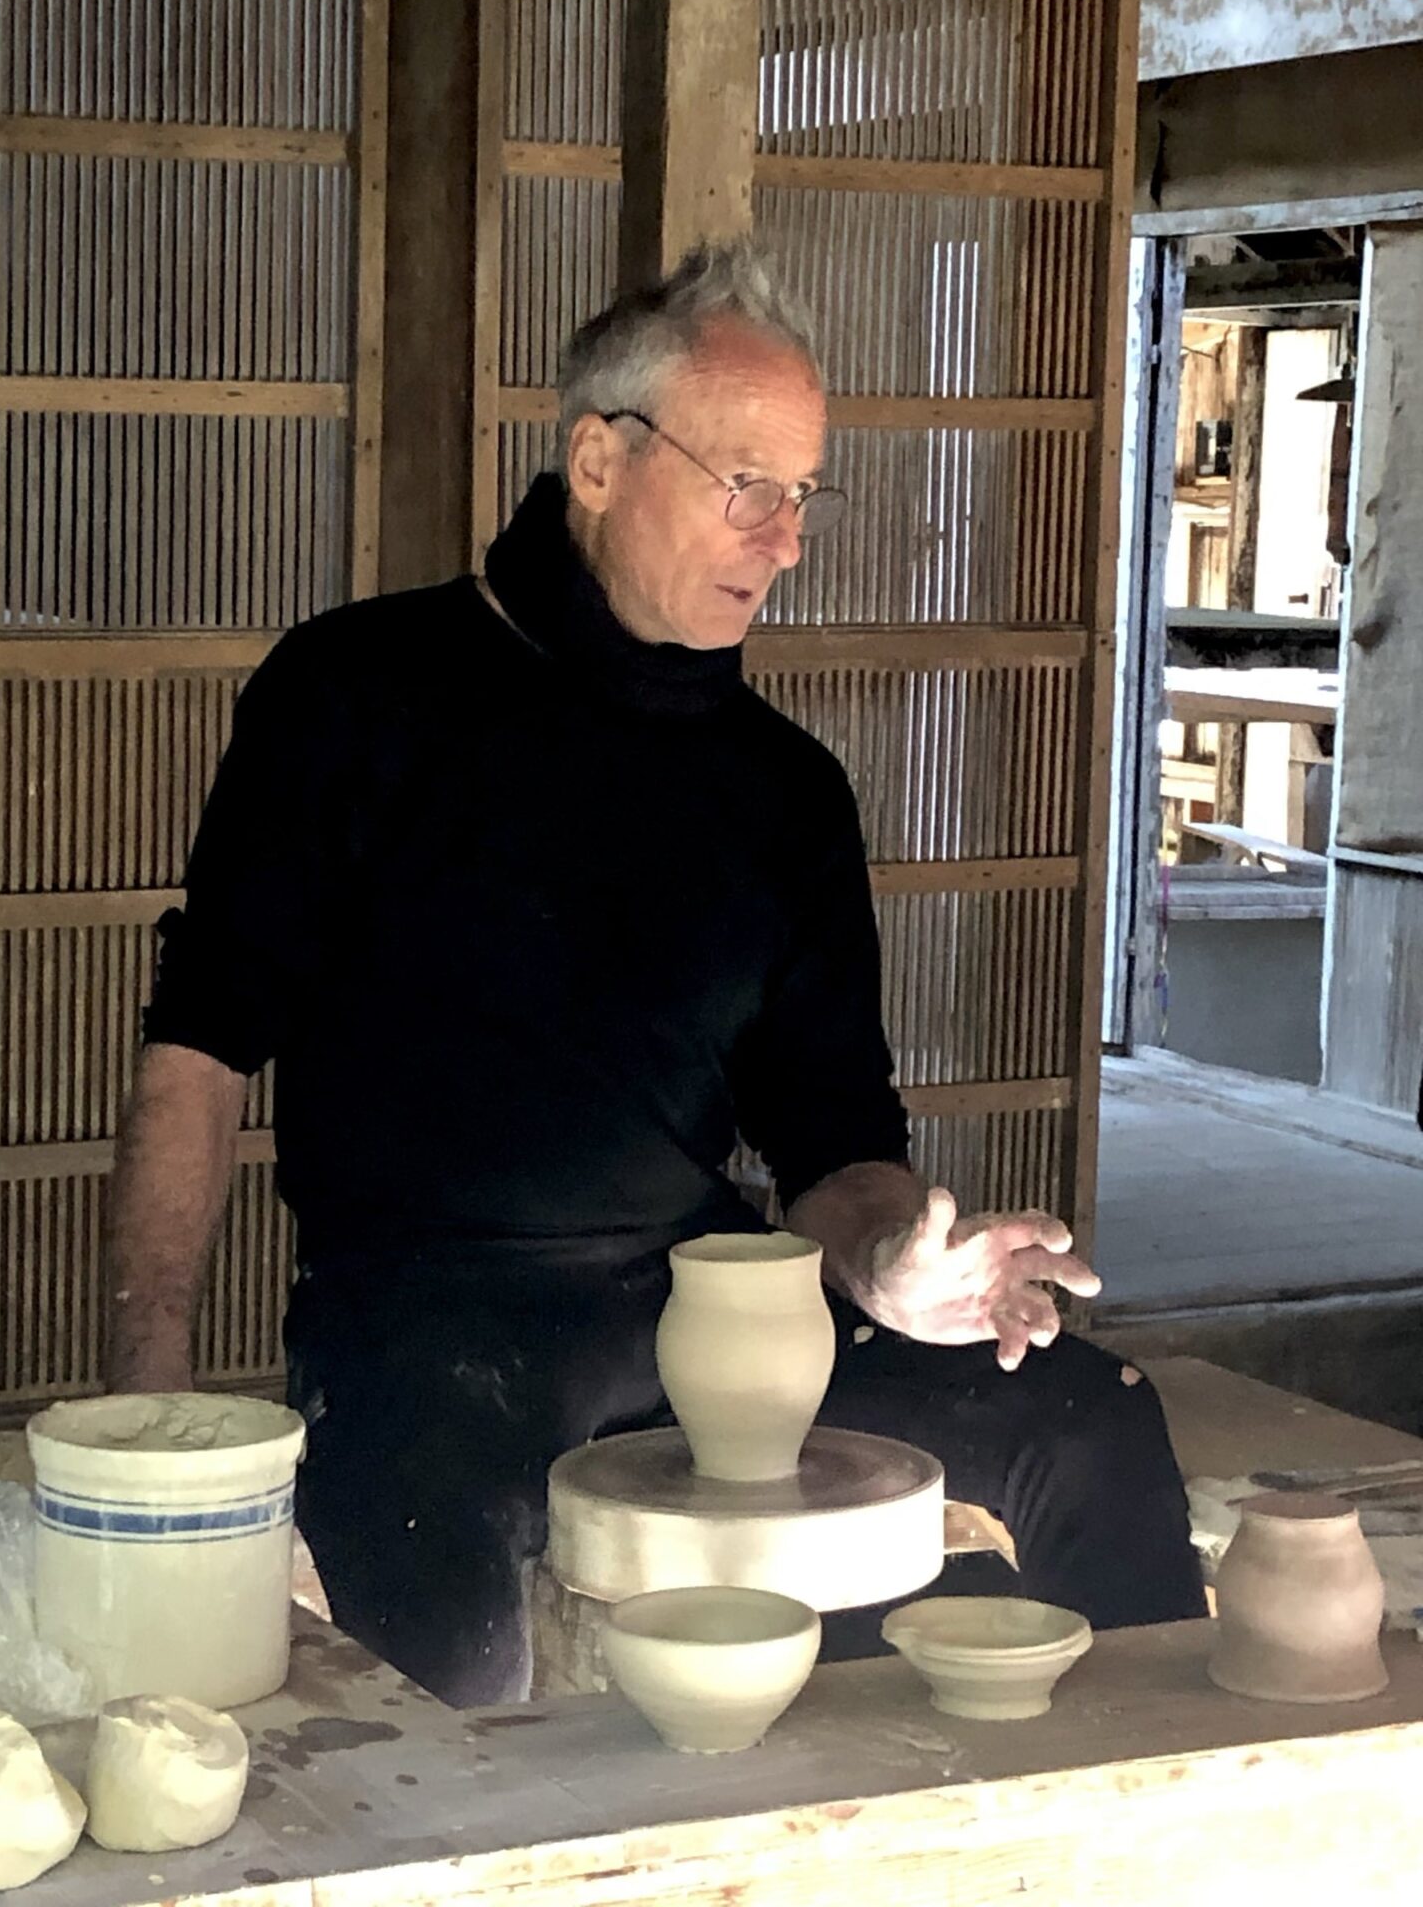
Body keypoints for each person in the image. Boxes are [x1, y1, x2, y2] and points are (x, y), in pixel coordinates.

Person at [106, 243, 1205, 1706]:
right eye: (746, 482)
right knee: (452, 1630)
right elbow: (199, 1047)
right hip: (430, 1321)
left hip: (707, 1306)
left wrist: (896, 1265)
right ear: (599, 462)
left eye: (805, 493)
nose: (785, 536)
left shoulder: (784, 793)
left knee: (1088, 1419)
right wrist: (149, 1395)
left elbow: (834, 1144)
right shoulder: (357, 695)